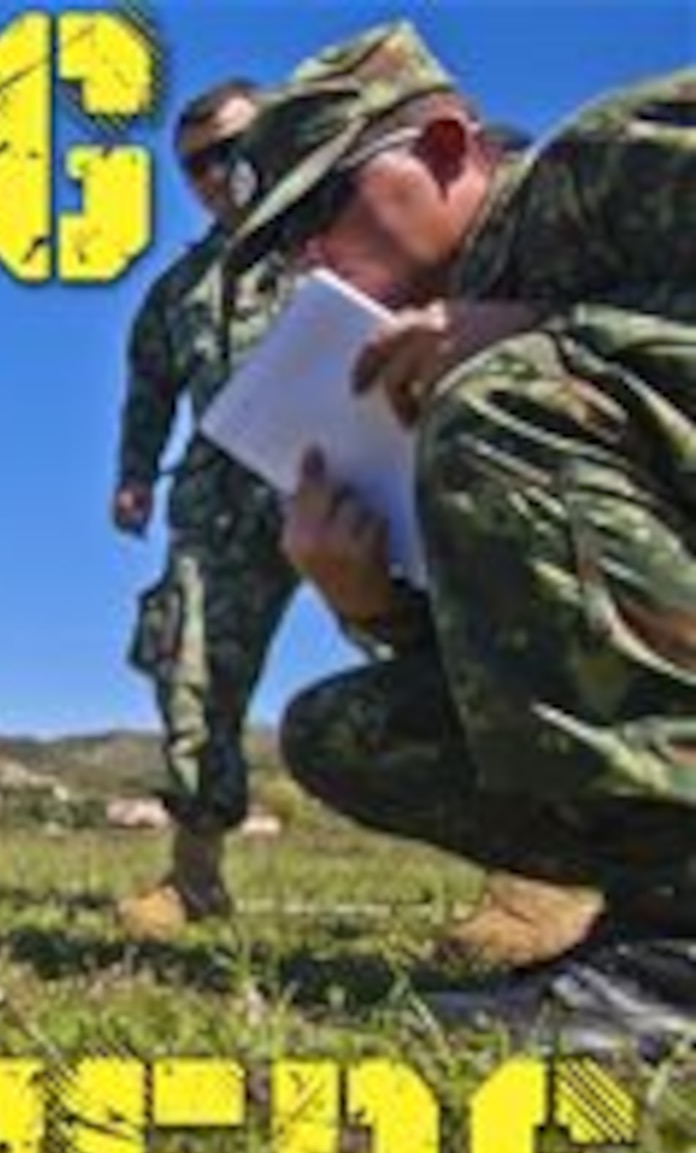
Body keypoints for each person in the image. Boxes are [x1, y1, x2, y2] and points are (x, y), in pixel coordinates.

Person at [227, 22, 694, 1055]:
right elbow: (577, 652)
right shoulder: (429, 365)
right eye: (283, 244)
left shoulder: (612, 159)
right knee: (347, 731)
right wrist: (375, 605)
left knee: (503, 400)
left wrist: (545, 331)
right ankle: (655, 898)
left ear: (442, 148)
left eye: (317, 210)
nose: (308, 257)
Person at [111, 78, 302, 939]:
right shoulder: (179, 289)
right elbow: (149, 386)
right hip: (221, 497)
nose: (216, 174)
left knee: (446, 652)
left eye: (232, 150)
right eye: (195, 164)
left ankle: (534, 877)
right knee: (190, 671)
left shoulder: (340, 242)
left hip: (350, 477)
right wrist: (135, 474)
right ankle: (195, 879)